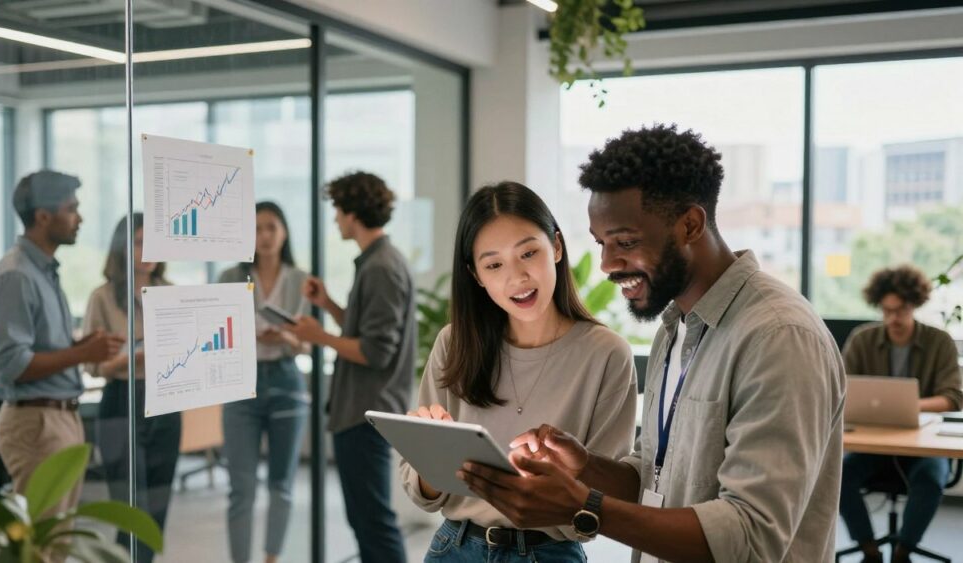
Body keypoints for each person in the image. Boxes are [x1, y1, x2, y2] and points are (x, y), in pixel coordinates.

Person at [458, 125, 847, 562]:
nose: (607, 263)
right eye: (601, 243)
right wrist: (584, 466)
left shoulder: (778, 337)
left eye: (625, 242)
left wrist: (582, 506)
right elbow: (655, 476)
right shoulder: (674, 327)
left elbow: (752, 535)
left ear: (690, 225)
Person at [400, 182, 638, 562]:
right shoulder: (455, 343)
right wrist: (435, 456)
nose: (518, 277)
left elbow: (603, 499)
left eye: (529, 253)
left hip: (549, 553)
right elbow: (421, 492)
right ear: (476, 275)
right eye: (494, 264)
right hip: (454, 548)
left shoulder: (606, 353)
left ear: (556, 247)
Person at [0, 170, 124, 519]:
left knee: (56, 540)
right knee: (40, 546)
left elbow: (39, 346)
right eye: (71, 208)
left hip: (58, 417)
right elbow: (12, 365)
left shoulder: (41, 270)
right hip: (36, 423)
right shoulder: (16, 275)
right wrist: (80, 354)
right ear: (43, 216)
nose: (80, 217)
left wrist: (80, 345)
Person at [287, 171, 415, 563]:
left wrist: (319, 336)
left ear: (352, 214)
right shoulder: (378, 262)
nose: (335, 220)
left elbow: (375, 352)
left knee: (373, 522)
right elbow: (366, 332)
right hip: (364, 411)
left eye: (337, 211)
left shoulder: (380, 267)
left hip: (366, 414)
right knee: (366, 520)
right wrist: (328, 305)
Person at [839, 265, 962, 563]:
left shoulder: (939, 341)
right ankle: (869, 549)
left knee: (931, 478)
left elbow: (954, 397)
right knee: (838, 474)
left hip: (924, 446)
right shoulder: (862, 339)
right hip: (874, 445)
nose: (894, 318)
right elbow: (842, 391)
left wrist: (911, 405)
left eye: (901, 310)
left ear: (915, 304)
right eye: (887, 310)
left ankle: (903, 551)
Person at [83, 213, 181, 563]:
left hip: (165, 402)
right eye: (140, 241)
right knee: (129, 509)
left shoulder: (170, 294)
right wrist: (133, 355)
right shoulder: (103, 297)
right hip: (121, 401)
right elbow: (93, 366)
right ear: (123, 246)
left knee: (156, 509)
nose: (148, 249)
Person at [217, 201, 311, 563]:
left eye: (272, 227)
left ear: (284, 231)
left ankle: (272, 559)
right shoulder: (229, 277)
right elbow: (216, 333)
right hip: (241, 382)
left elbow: (308, 341)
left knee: (281, 485)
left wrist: (286, 339)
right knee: (240, 487)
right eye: (257, 228)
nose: (265, 236)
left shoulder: (301, 280)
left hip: (286, 381)